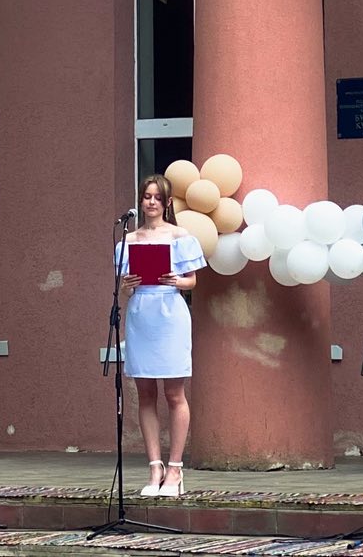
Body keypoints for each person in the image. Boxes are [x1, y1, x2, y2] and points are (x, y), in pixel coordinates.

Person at [118, 173, 204, 497]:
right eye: (146, 196)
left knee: (174, 393)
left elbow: (192, 281)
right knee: (145, 393)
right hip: (142, 313)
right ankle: (155, 467)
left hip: (170, 313)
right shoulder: (128, 240)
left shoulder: (180, 236)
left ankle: (176, 468)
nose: (151, 202)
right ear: (140, 201)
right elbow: (125, 288)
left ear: (167, 203)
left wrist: (175, 280)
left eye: (157, 197)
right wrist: (127, 286)